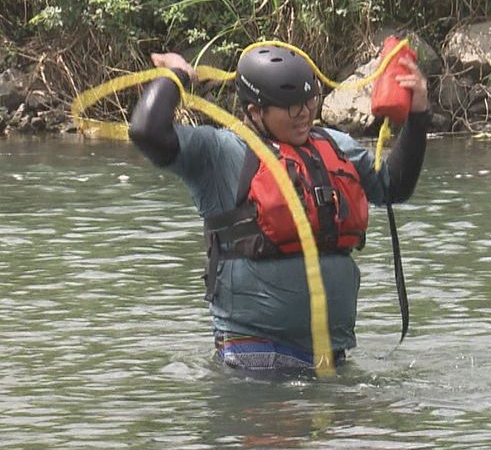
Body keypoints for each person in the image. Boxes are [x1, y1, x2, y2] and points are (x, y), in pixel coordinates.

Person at [129, 43, 429, 373]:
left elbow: (394, 188)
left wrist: (417, 117)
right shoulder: (219, 154)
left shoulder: (335, 145)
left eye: (308, 100)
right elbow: (148, 131)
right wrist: (177, 76)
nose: (303, 112)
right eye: (289, 106)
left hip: (332, 357)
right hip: (256, 360)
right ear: (255, 111)